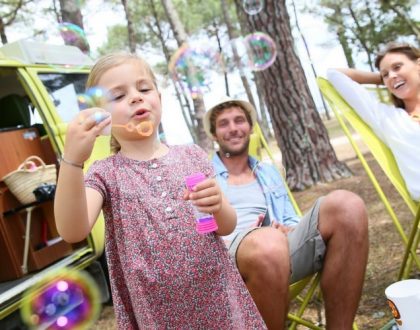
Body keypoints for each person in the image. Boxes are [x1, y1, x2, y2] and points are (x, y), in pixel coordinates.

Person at [54, 53, 266, 329]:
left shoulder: (192, 155)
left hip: (219, 299)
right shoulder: (105, 173)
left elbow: (226, 226)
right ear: (101, 118)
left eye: (143, 89)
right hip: (157, 312)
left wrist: (218, 206)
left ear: (159, 98)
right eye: (118, 96)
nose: (135, 97)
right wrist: (71, 161)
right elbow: (73, 230)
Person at [203, 95, 369, 329]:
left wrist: (285, 228)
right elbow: (201, 233)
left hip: (278, 251)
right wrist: (255, 237)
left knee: (347, 206)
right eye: (223, 123)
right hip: (230, 263)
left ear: (251, 127)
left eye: (239, 120)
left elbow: (289, 217)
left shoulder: (267, 172)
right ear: (213, 134)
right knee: (266, 242)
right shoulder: (204, 175)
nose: (233, 128)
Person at [327, 42, 420, 201]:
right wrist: (386, 79)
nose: (391, 75)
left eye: (397, 67)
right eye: (385, 74)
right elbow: (334, 75)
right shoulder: (387, 118)